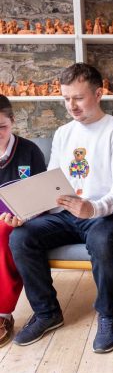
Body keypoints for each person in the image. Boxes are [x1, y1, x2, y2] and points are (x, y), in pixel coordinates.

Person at [5, 63, 113, 352]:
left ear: (99, 93)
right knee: (21, 237)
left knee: (103, 240)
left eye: (78, 98)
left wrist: (93, 208)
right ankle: (47, 312)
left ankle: (108, 315)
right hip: (63, 215)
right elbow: (53, 179)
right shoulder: (63, 133)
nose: (71, 105)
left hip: (102, 215)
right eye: (65, 98)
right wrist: (29, 209)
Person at [0, 95, 46, 347]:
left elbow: (44, 196)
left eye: (2, 127)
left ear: (13, 121)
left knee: (4, 231)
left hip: (22, 219)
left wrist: (24, 215)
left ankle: (3, 313)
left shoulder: (30, 151)